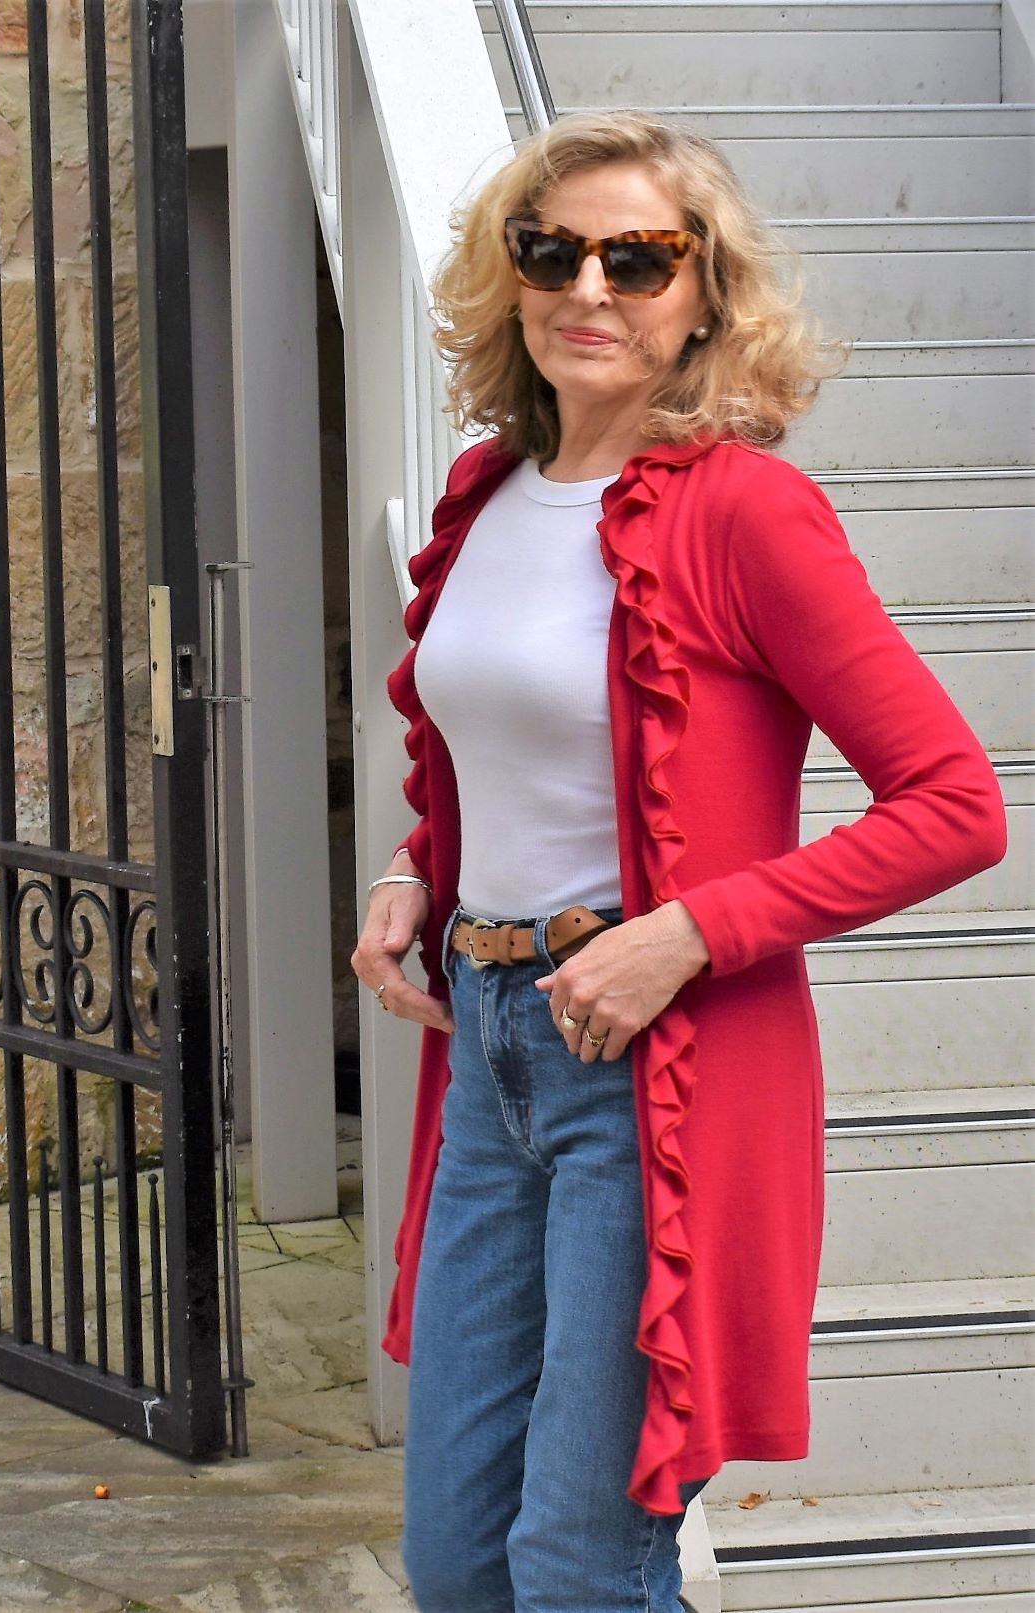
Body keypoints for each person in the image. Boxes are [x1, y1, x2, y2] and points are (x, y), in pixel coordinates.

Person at [350, 110, 1008, 1613]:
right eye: (552, 248)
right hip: (492, 1053)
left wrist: (686, 933)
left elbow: (956, 800)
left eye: (639, 257)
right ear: (509, 275)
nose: (592, 285)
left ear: (704, 293)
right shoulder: (486, 492)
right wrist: (416, 867)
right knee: (458, 1559)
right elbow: (510, 751)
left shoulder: (745, 512)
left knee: (582, 1563)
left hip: (654, 1072)